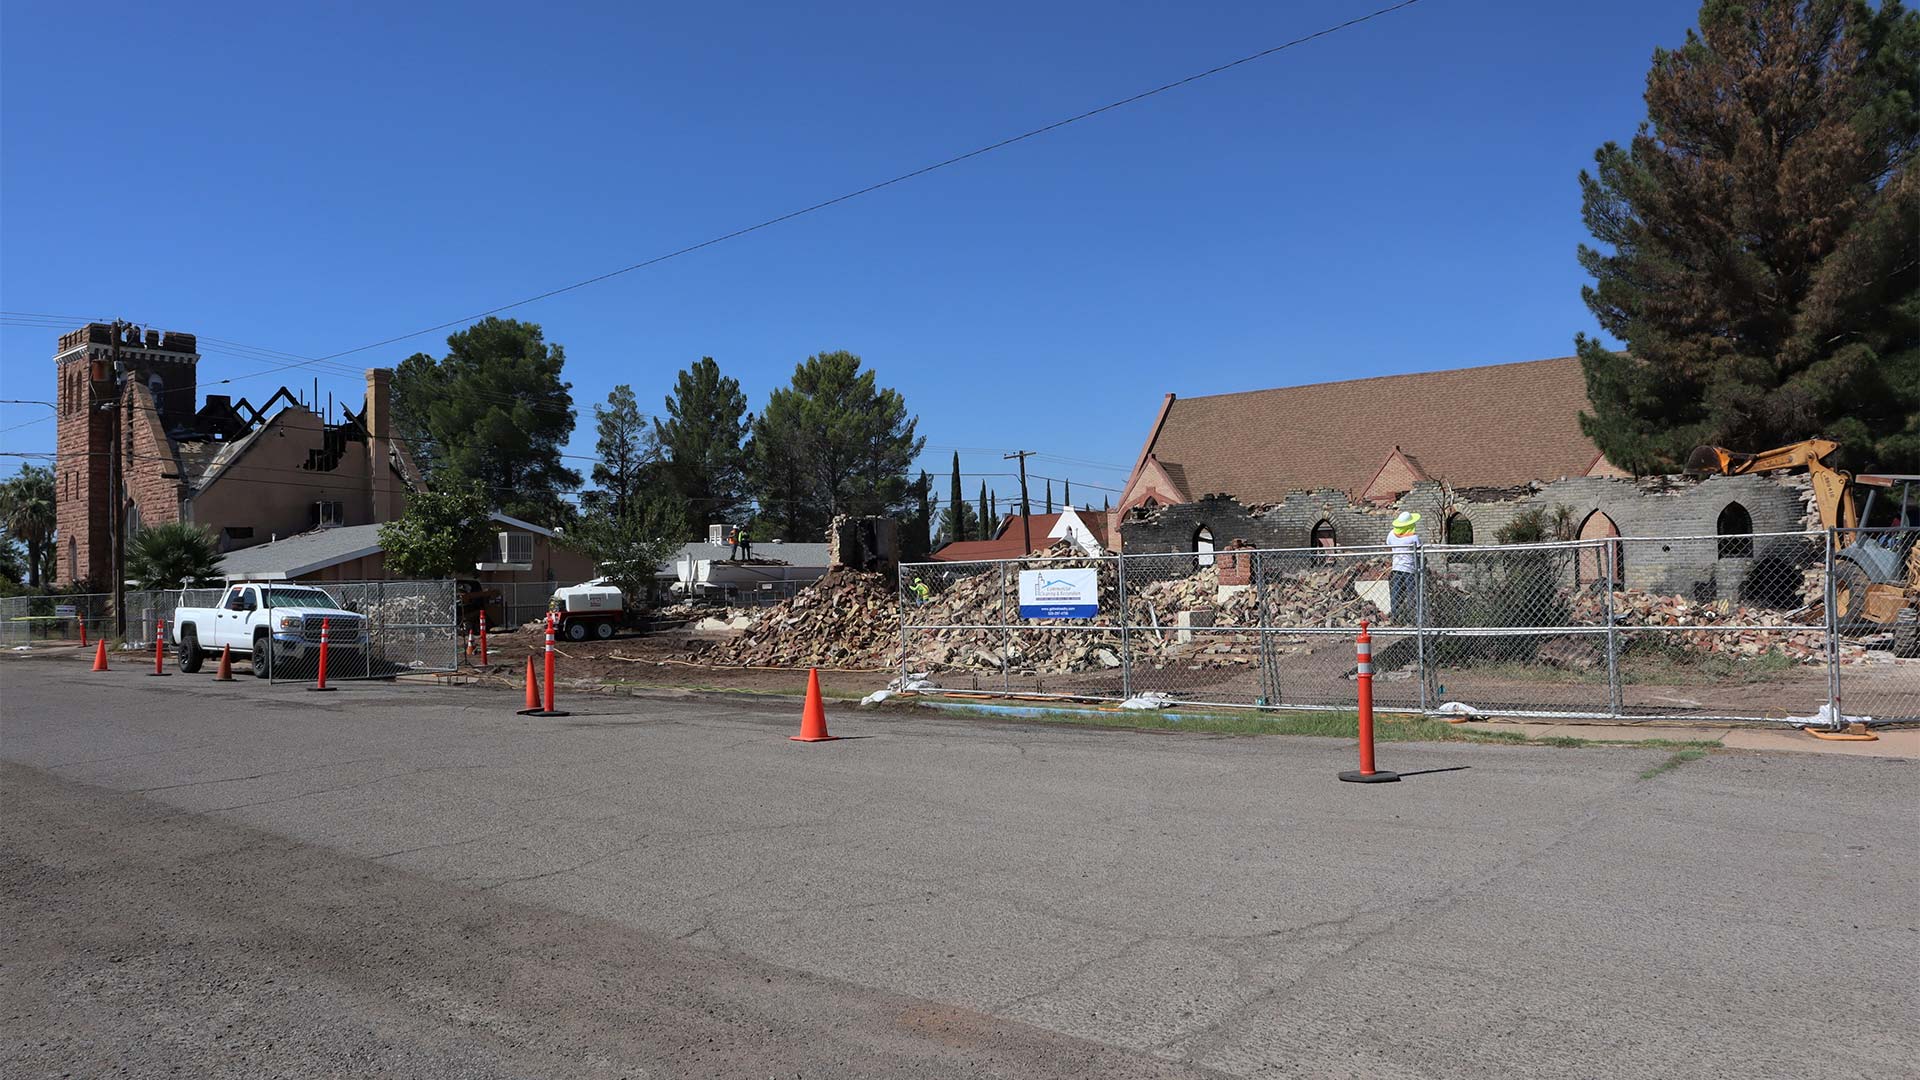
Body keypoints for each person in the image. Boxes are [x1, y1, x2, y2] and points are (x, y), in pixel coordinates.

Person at [1386, 511, 1421, 623]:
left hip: (1396, 567)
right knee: (1411, 593)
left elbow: (1388, 545)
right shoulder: (1414, 537)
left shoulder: (1391, 534)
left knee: (1396, 593)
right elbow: (1419, 551)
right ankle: (1412, 616)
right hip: (1410, 569)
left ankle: (1395, 616)